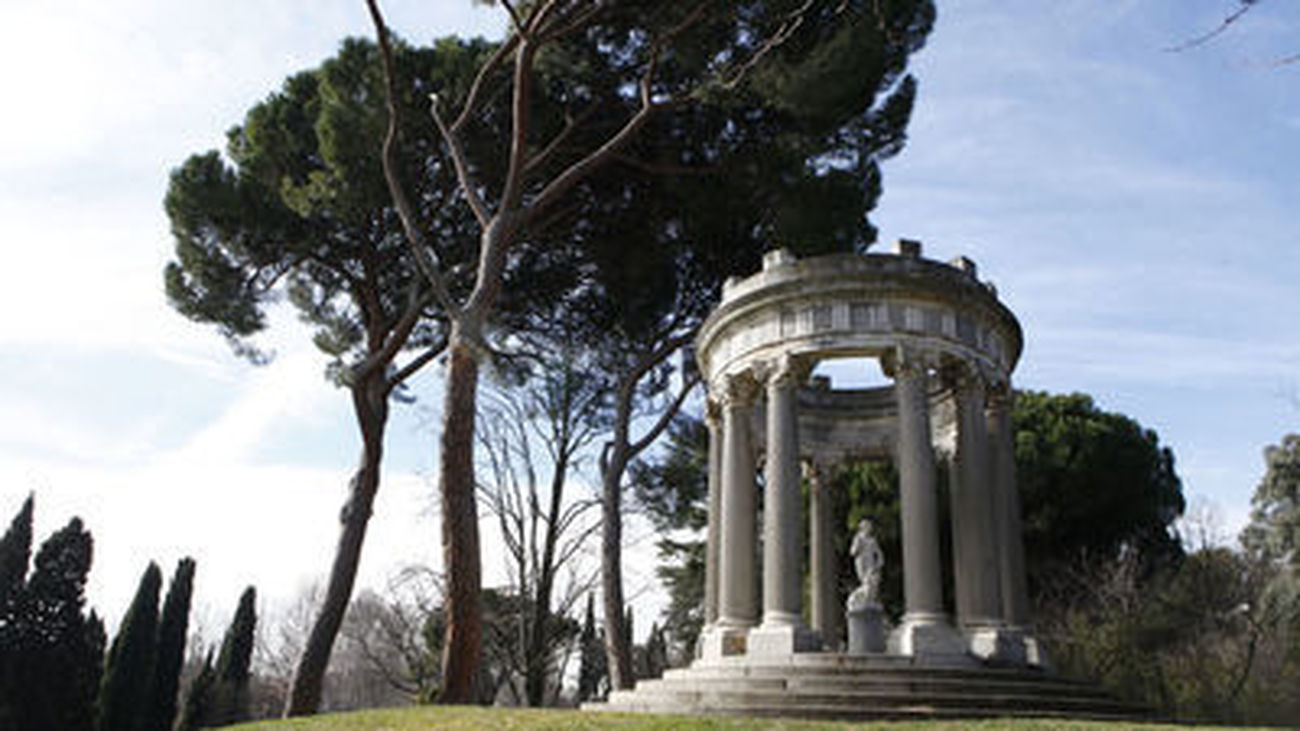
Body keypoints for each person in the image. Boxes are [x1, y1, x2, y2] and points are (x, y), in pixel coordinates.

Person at [850, 518, 883, 604]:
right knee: (864, 580)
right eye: (867, 527)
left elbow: (878, 552)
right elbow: (852, 552)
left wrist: (879, 562)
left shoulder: (872, 540)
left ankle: (868, 599)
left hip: (870, 562)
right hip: (861, 561)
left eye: (869, 527)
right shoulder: (858, 538)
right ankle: (863, 599)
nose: (869, 529)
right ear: (863, 528)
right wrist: (858, 545)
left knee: (869, 580)